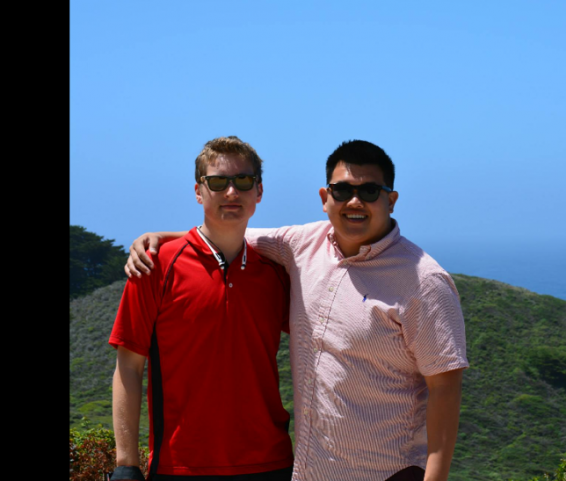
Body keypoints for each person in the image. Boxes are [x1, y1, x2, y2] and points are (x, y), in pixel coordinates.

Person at [125, 140, 468, 481]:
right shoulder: (300, 244)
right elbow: (229, 231)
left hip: (387, 471)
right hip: (308, 471)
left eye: (370, 191)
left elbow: (445, 390)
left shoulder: (424, 281)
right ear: (324, 199)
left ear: (391, 201)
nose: (354, 201)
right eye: (342, 189)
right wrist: (161, 238)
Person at [109, 136, 294, 481]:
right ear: (198, 191)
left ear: (259, 191)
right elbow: (128, 366)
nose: (231, 192)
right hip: (180, 464)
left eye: (243, 181)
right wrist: (126, 464)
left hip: (271, 461)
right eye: (217, 182)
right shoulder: (155, 266)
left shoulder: (276, 272)